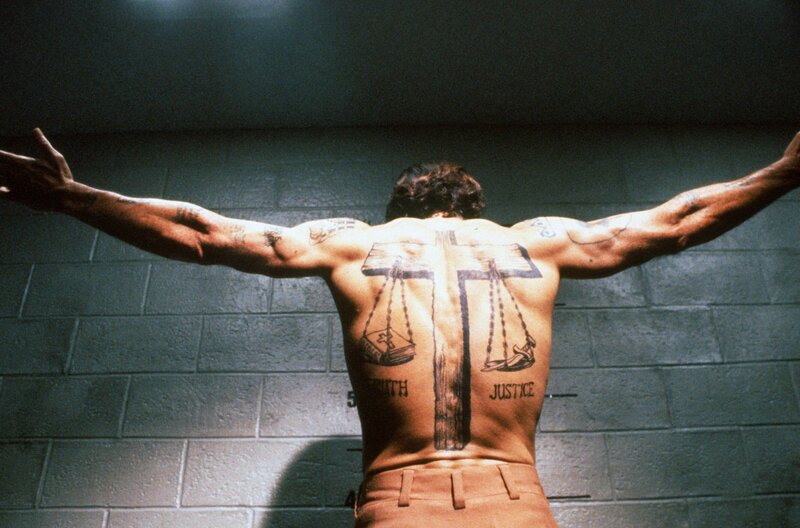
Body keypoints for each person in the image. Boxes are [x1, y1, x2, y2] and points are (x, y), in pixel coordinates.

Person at [1, 129, 798, 527]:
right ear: (472, 203)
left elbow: (205, 233)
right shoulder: (537, 242)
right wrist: (784, 172)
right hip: (515, 499)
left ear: (399, 206)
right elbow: (675, 223)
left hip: (398, 501)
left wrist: (75, 197)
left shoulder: (355, 243)